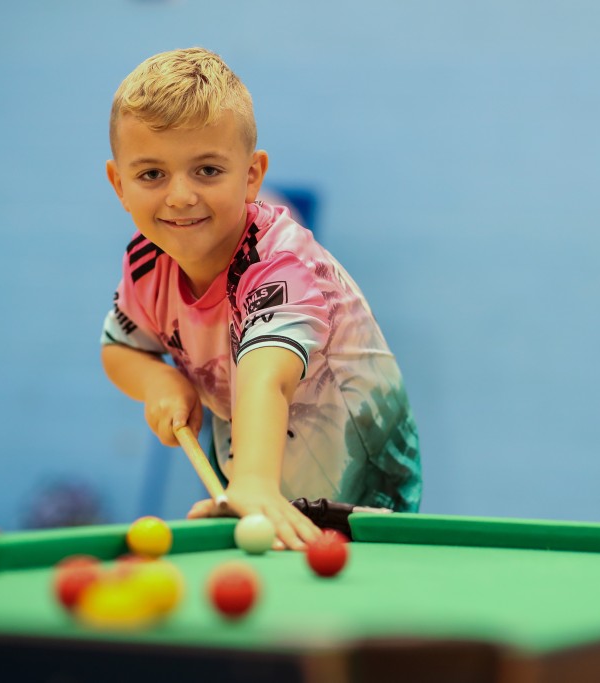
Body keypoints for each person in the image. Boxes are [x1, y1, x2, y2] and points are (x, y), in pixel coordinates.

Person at [99, 48, 421, 549]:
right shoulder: (146, 261)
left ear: (252, 175)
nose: (180, 196)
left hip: (361, 495)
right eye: (152, 174)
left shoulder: (279, 260)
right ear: (119, 184)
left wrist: (251, 481)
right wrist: (159, 380)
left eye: (207, 170)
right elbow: (120, 349)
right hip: (255, 494)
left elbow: (267, 375)